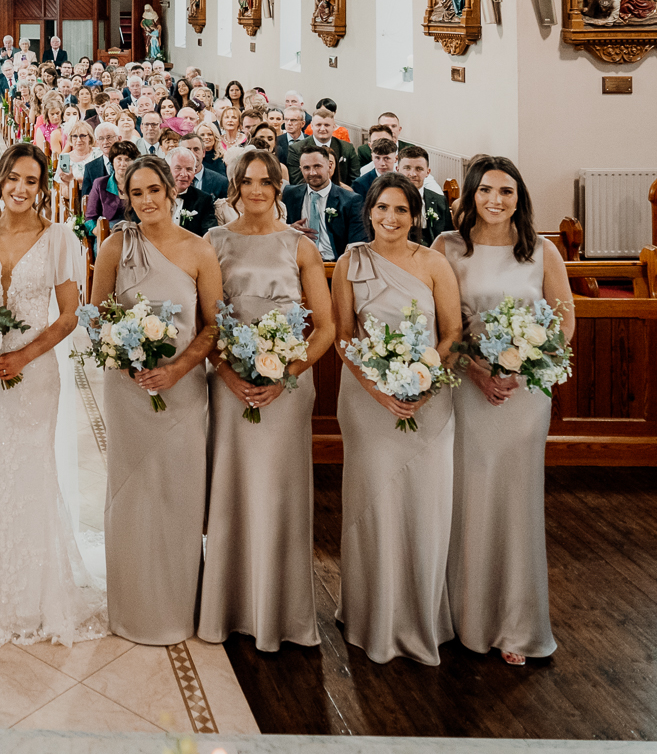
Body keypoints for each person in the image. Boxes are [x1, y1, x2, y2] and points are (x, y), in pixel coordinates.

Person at [0, 143, 107, 646]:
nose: (21, 189)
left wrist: (23, 356)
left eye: (31, 181)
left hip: (34, 372)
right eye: (13, 179)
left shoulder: (59, 238)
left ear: (42, 188)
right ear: (0, 180)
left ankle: (34, 596)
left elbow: (68, 315)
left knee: (29, 467)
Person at [198, 147, 337, 651]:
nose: (256, 190)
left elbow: (325, 327)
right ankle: (227, 607)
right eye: (247, 181)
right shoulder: (213, 242)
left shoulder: (299, 246)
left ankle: (282, 612)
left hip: (288, 388)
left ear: (279, 187)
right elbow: (205, 322)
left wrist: (287, 376)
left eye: (266, 181)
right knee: (232, 486)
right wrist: (226, 372)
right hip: (230, 380)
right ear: (234, 186)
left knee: (279, 490)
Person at [438, 156, 575, 666]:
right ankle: (462, 616)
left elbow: (564, 321)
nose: (496, 200)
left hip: (525, 393)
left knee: (516, 500)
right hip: (467, 386)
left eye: (507, 192)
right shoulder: (448, 249)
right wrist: (476, 368)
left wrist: (527, 364)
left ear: (520, 198)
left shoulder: (542, 251)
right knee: (467, 493)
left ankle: (517, 624)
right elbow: (442, 323)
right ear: (471, 194)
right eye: (487, 190)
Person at [329, 176, 463, 665]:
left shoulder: (434, 263)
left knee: (424, 505)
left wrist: (424, 380)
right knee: (374, 504)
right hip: (367, 401)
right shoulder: (350, 261)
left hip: (428, 400)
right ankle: (369, 612)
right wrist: (377, 389)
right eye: (382, 208)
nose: (391, 218)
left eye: (401, 210)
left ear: (416, 215)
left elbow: (452, 333)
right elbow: (344, 335)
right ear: (369, 211)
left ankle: (419, 615)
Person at [90, 155, 220, 644]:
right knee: (133, 493)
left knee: (178, 492)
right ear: (127, 198)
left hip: (184, 389)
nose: (146, 201)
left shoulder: (199, 250)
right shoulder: (114, 248)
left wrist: (177, 369)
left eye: (154, 191)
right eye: (136, 193)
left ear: (171, 192)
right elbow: (98, 316)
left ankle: (176, 607)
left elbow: (213, 326)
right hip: (129, 389)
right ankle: (131, 607)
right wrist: (129, 361)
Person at [284, 145, 367, 260]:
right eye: (306, 168)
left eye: (317, 166)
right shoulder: (290, 194)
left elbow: (358, 244)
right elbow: (274, 227)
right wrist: (289, 229)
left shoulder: (350, 200)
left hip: (334, 265)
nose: (312, 173)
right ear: (300, 169)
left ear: (329, 166)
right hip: (298, 264)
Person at [396, 145, 451, 245]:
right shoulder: (388, 200)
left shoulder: (440, 201)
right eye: (407, 168)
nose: (412, 174)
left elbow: (448, 238)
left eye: (419, 169)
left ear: (427, 172)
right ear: (397, 170)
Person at [84, 139, 139, 227]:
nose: (123, 163)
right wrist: (100, 233)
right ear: (112, 161)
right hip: (108, 234)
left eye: (127, 160)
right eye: (119, 159)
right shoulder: (100, 183)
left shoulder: (141, 184)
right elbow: (90, 219)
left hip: (136, 233)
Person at [167, 147, 220, 237]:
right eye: (178, 168)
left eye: (189, 169)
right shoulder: (156, 196)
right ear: (168, 170)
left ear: (194, 172)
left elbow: (210, 235)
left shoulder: (204, 200)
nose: (184, 174)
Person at [349, 136, 400, 201]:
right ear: (372, 157)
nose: (382, 163)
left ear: (396, 158)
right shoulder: (360, 184)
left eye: (387, 158)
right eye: (377, 158)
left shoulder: (403, 181)